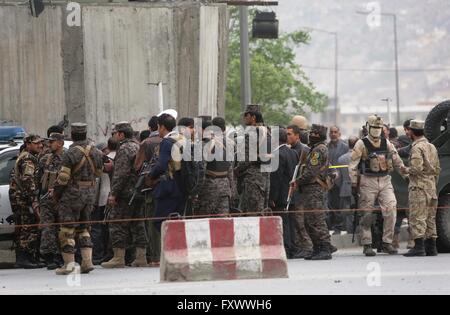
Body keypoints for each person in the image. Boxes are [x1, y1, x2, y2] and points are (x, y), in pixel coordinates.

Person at [349, 115, 407, 257]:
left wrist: (406, 174)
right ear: (368, 127)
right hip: (367, 181)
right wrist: (353, 182)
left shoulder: (386, 142)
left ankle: (387, 242)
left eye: (378, 128)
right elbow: (352, 165)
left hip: (385, 180)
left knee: (391, 209)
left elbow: (396, 159)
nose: (376, 131)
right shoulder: (361, 144)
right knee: (367, 213)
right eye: (374, 128)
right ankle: (367, 244)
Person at [53, 123, 103, 275]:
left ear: (73, 135)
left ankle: (69, 266)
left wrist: (57, 194)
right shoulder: (96, 152)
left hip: (72, 195)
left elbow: (63, 178)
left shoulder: (70, 153)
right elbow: (99, 173)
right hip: (90, 194)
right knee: (84, 228)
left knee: (67, 229)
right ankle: (87, 262)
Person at [102, 122, 149, 269]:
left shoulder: (124, 148)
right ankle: (141, 257)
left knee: (116, 223)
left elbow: (121, 174)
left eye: (114, 133)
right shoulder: (137, 145)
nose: (113, 136)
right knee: (137, 223)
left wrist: (113, 193)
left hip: (125, 194)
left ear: (121, 134)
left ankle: (118, 257)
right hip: (137, 192)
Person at [294, 124, 334, 260]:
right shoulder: (315, 148)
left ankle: (324, 247)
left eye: (313, 133)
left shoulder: (318, 150)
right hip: (310, 189)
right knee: (309, 220)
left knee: (316, 219)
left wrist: (297, 181)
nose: (310, 135)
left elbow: (311, 172)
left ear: (317, 135)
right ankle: (317, 248)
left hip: (314, 189)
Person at [402, 120, 441, 257]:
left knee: (417, 216)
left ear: (412, 132)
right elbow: (437, 169)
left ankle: (419, 247)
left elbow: (416, 169)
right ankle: (432, 247)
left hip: (419, 187)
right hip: (431, 187)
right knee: (430, 217)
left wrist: (405, 169)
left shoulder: (417, 148)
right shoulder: (432, 147)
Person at [10, 135, 44, 269]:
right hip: (25, 199)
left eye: (41, 143)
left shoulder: (24, 156)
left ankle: (27, 257)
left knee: (24, 227)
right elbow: (28, 180)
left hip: (21, 198)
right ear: (28, 144)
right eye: (37, 143)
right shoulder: (28, 158)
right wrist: (34, 200)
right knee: (28, 228)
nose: (40, 146)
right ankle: (25, 258)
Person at [148, 114, 186, 231]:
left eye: (158, 126)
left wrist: (150, 176)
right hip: (183, 186)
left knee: (161, 224)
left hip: (169, 188)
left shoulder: (167, 142)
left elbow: (161, 165)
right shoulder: (182, 139)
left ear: (162, 127)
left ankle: (167, 249)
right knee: (176, 223)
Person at [37, 133, 65, 270]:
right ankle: (50, 256)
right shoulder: (44, 160)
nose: (49, 144)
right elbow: (38, 180)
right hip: (47, 201)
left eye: (52, 142)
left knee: (63, 228)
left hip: (62, 200)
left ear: (60, 143)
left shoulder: (68, 158)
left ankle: (63, 255)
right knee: (48, 228)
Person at [235, 105, 270, 215]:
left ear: (253, 117)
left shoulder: (252, 133)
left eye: (246, 115)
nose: (244, 118)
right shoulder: (268, 131)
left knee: (251, 213)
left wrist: (236, 170)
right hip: (265, 177)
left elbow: (245, 158)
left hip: (252, 178)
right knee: (261, 212)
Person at [195, 117, 233, 217]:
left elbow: (201, 170)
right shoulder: (225, 143)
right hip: (224, 187)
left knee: (203, 223)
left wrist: (196, 191)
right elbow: (230, 169)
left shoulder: (204, 145)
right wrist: (231, 189)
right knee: (222, 223)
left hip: (209, 188)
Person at [269, 127, 299, 257]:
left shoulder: (278, 154)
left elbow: (276, 178)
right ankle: (292, 247)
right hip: (291, 192)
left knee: (283, 222)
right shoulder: (293, 152)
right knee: (290, 222)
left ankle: (286, 248)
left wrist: (272, 198)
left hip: (281, 194)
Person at [286, 124, 313, 258]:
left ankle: (307, 247)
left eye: (290, 134)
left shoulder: (304, 150)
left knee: (301, 220)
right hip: (294, 189)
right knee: (296, 220)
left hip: (302, 190)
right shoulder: (291, 149)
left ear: (297, 135)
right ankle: (301, 246)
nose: (287, 136)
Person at [327, 126, 349, 234]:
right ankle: (332, 225)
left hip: (340, 180)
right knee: (330, 204)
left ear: (339, 133)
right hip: (328, 181)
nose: (333, 134)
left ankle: (339, 227)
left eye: (335, 132)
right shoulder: (326, 147)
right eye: (331, 132)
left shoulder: (345, 147)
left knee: (340, 205)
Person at [336, 137, 359, 233]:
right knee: (359, 210)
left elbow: (338, 178)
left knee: (347, 211)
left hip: (345, 188)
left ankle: (349, 231)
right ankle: (357, 230)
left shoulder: (341, 159)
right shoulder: (359, 157)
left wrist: (341, 186)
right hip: (358, 187)